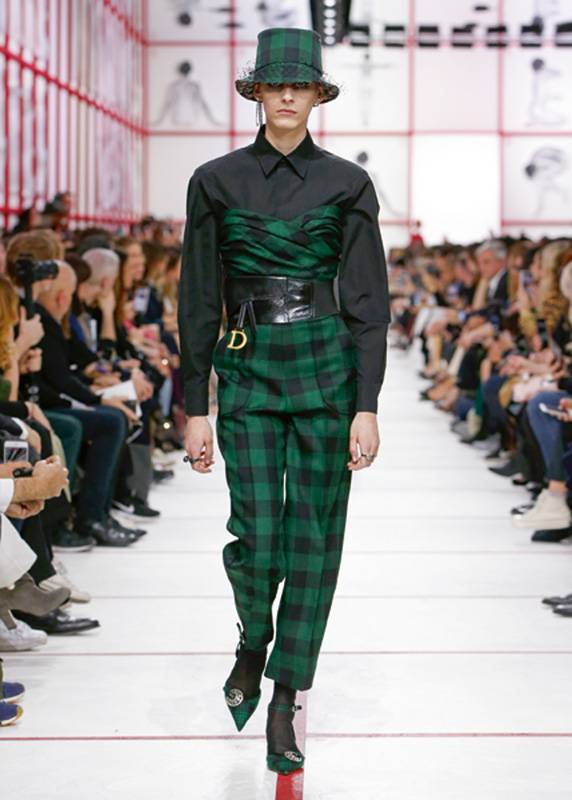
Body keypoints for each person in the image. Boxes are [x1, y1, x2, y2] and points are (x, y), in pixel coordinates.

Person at [178, 28, 390, 774]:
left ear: (318, 96)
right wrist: (194, 406)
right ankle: (254, 639)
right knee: (260, 533)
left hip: (326, 368)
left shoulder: (348, 183)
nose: (289, 96)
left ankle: (284, 695)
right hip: (247, 367)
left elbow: (368, 301)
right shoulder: (214, 180)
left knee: (315, 542)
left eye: (302, 85)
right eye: (277, 84)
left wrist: (368, 403)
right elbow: (197, 296)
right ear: (258, 93)